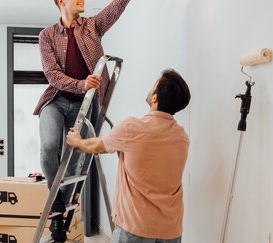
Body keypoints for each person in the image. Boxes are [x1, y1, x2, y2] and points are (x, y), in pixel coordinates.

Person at [36, 0, 131, 241]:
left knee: (75, 159)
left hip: (83, 105)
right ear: (61, 2)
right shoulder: (47, 35)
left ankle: (59, 217)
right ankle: (56, 202)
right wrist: (80, 84)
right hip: (56, 100)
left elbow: (116, 8)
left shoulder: (93, 26)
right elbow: (51, 73)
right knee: (48, 147)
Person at [66, 69, 191, 243]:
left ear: (155, 98)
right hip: (171, 230)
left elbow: (96, 145)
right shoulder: (182, 137)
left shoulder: (131, 128)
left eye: (153, 86)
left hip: (136, 228)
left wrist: (77, 141)